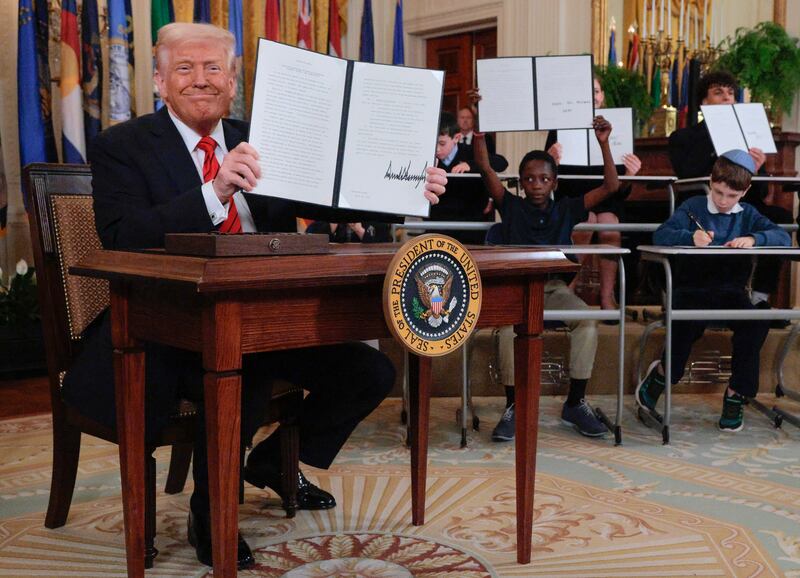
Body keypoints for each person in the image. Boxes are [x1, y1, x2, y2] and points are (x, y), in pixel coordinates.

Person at [61, 22, 448, 569]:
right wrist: (215, 191)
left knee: (371, 372)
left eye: (213, 68)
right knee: (242, 371)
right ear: (160, 82)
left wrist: (407, 188)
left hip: (268, 321)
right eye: (185, 68)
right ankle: (210, 513)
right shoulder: (122, 146)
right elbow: (122, 236)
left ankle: (270, 463)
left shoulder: (265, 135)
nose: (200, 79)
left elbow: (332, 195)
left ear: (233, 80)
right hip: (167, 330)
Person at [470, 93, 620, 440]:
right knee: (508, 332)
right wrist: (479, 130)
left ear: (554, 182)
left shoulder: (567, 208)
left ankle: (575, 403)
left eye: (543, 179)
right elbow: (485, 168)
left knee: (586, 322)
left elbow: (611, 186)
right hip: (515, 289)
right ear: (521, 182)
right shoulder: (510, 205)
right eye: (529, 179)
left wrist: (604, 144)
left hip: (552, 288)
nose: (536, 185)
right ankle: (514, 405)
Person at [637, 150, 790, 432]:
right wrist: (689, 237)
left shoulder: (747, 214)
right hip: (691, 290)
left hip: (731, 293)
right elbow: (661, 234)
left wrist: (754, 238)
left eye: (732, 196)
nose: (723, 201)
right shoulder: (692, 206)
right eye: (718, 192)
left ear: (744, 192)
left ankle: (736, 392)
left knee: (756, 320)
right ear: (711, 181)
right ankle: (662, 374)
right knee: (687, 324)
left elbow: (782, 237)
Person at [668, 70, 792, 312]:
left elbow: (761, 192)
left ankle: (760, 296)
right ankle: (700, 299)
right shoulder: (684, 137)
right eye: (718, 93)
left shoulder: (748, 136)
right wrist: (720, 155)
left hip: (744, 207)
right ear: (704, 103)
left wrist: (756, 168)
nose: (727, 98)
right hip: (704, 203)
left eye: (731, 93)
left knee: (782, 218)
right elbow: (686, 174)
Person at [545, 76, 642, 312]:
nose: (593, 97)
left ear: (602, 96)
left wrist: (631, 174)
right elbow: (548, 177)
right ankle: (568, 289)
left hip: (608, 199)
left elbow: (622, 189)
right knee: (585, 223)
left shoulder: (616, 126)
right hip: (574, 197)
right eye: (587, 93)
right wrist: (550, 159)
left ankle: (607, 296)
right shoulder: (560, 128)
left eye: (597, 91)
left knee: (609, 226)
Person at [427, 111, 508, 244]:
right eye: (433, 143)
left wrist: (472, 164)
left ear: (457, 138)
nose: (436, 149)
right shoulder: (428, 157)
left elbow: (502, 162)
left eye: (442, 143)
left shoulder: (471, 152)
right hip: (437, 226)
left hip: (471, 227)